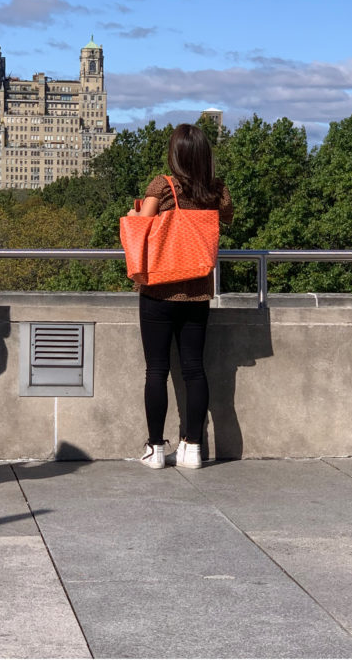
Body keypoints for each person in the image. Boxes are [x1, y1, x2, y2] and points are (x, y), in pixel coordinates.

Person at [126, 123, 234, 470]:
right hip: (197, 292)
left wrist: (133, 214)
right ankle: (193, 447)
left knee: (156, 370)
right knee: (194, 370)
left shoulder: (163, 184)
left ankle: (155, 449)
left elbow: (142, 227)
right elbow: (227, 219)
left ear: (175, 155)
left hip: (158, 288)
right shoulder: (216, 190)